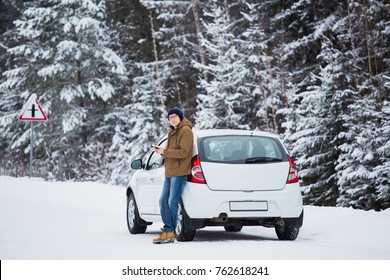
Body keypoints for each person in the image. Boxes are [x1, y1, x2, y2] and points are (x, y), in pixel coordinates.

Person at [152, 107, 194, 244]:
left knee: (172, 202)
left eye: (175, 116)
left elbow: (183, 152)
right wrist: (162, 152)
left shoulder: (186, 131)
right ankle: (168, 230)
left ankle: (170, 231)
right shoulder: (172, 131)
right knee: (162, 201)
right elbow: (171, 152)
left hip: (180, 172)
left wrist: (166, 151)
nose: (172, 119)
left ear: (181, 117)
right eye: (170, 118)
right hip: (170, 172)